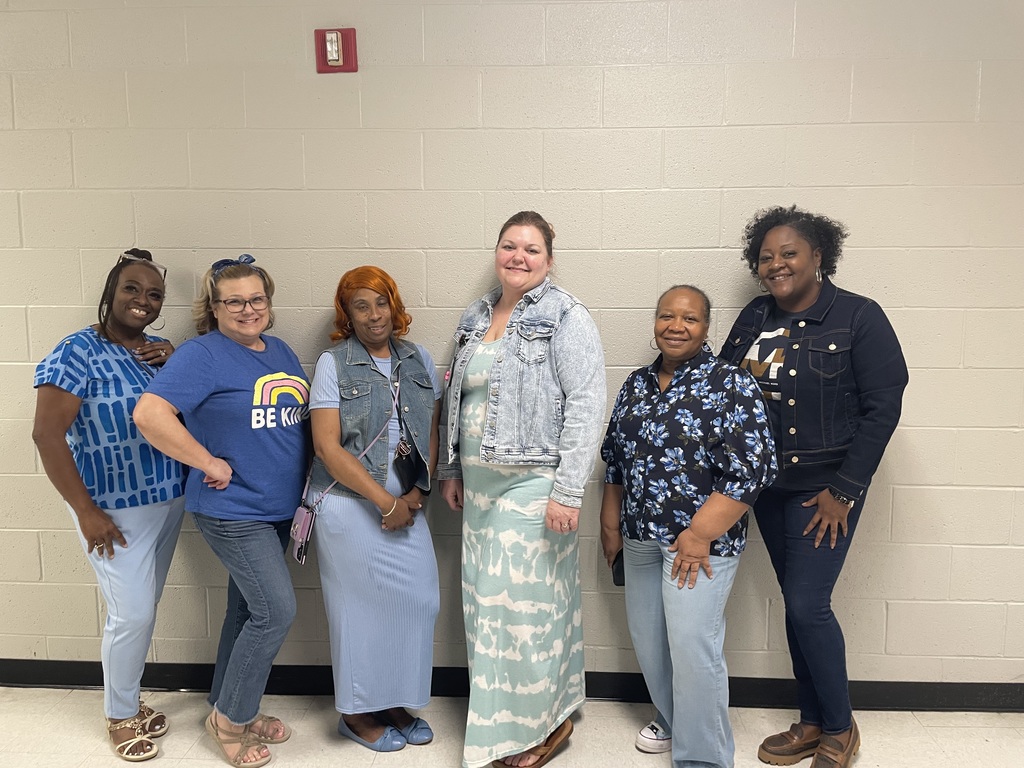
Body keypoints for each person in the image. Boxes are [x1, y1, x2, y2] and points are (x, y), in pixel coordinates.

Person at [719, 206, 908, 768]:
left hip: (825, 490)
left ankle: (841, 727)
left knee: (807, 605)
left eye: (789, 253)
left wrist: (844, 489)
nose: (775, 265)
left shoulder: (858, 317)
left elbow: (883, 408)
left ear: (818, 257)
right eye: (766, 256)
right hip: (767, 488)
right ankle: (809, 720)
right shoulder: (755, 317)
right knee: (797, 606)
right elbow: (726, 387)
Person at [438, 211, 606, 768]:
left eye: (532, 249)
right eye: (509, 246)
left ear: (549, 259)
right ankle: (551, 713)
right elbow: (459, 402)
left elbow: (586, 403)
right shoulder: (477, 314)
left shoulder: (566, 315)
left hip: (534, 481)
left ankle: (529, 734)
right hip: (480, 485)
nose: (518, 257)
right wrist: (452, 470)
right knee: (496, 610)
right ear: (497, 252)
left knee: (518, 612)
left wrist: (568, 491)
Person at [133, 254, 310, 768]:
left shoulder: (278, 350)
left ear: (268, 303)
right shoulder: (202, 355)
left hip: (277, 511)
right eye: (233, 301)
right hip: (233, 511)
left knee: (245, 610)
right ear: (214, 307)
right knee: (275, 611)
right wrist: (206, 460)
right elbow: (149, 413)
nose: (247, 309)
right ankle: (229, 722)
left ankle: (234, 704)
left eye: (256, 299)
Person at [599, 285, 777, 768]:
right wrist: (610, 521)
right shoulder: (636, 383)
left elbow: (752, 469)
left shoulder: (730, 385)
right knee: (650, 640)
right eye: (666, 316)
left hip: (699, 544)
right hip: (638, 536)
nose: (676, 326)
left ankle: (703, 757)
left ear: (706, 327)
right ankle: (675, 720)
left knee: (693, 644)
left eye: (690, 318)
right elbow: (615, 456)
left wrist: (699, 534)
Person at [32, 249, 184, 762]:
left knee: (141, 612)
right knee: (132, 613)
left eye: (154, 294)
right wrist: (85, 511)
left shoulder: (156, 352)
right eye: (132, 289)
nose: (143, 301)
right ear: (110, 292)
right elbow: (47, 435)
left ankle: (132, 700)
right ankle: (120, 714)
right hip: (111, 512)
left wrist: (177, 361)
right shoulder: (78, 350)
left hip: (169, 501)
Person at [306, 266, 442, 752]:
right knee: (358, 612)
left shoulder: (418, 358)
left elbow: (431, 430)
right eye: (359, 306)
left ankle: (391, 700)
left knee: (419, 601)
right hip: (348, 508)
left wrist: (418, 494)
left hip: (407, 506)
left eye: (380, 302)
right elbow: (327, 446)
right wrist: (385, 501)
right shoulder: (333, 363)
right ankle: (356, 712)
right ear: (347, 314)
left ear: (394, 304)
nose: (373, 314)